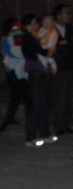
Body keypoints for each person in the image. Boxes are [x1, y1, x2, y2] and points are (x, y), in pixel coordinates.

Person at [21, 14, 56, 147]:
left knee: (44, 102)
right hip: (35, 72)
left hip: (42, 71)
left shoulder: (38, 36)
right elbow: (36, 52)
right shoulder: (27, 38)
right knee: (37, 104)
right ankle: (30, 136)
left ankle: (45, 133)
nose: (34, 26)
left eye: (35, 24)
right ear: (25, 26)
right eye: (31, 24)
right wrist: (47, 52)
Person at [0, 18, 29, 132]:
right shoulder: (6, 39)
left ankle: (10, 118)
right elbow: (11, 52)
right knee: (21, 95)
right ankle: (10, 118)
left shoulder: (20, 37)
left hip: (21, 70)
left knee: (18, 96)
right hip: (13, 71)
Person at [52, 4, 73, 134]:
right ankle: (59, 126)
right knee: (59, 97)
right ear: (59, 16)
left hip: (70, 66)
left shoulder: (70, 28)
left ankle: (67, 124)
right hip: (57, 68)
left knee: (70, 97)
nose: (69, 16)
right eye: (66, 13)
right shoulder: (51, 29)